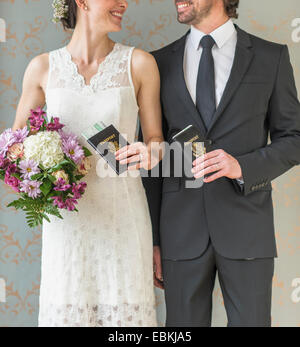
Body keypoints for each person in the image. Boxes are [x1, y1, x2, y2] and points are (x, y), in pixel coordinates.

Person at [141, 0, 300, 327]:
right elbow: (153, 163)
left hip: (247, 231)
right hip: (179, 233)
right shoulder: (157, 63)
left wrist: (241, 167)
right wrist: (154, 239)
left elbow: (294, 138)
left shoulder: (271, 57)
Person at [12, 0, 164, 327]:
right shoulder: (41, 68)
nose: (124, 4)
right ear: (82, 2)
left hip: (124, 218)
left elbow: (155, 139)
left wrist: (152, 152)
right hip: (67, 227)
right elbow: (13, 151)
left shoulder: (139, 64)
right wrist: (42, 175)